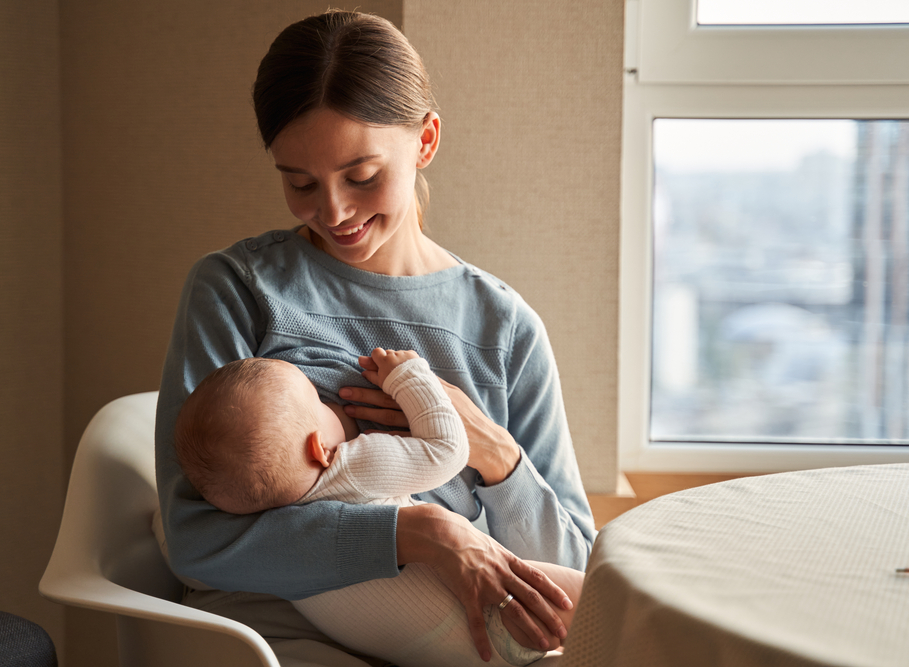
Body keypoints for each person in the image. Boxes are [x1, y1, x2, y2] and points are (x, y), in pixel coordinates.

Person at [155, 9, 596, 666]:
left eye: (361, 175)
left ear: (425, 141)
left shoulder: (505, 330)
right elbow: (195, 537)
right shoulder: (238, 290)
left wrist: (494, 453)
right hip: (274, 644)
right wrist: (416, 532)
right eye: (299, 181)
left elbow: (573, 569)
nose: (332, 211)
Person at [172, 348, 582, 666]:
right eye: (319, 401)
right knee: (611, 600)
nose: (329, 403)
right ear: (319, 448)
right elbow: (447, 450)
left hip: (432, 650)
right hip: (495, 603)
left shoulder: (272, 531)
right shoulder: (350, 467)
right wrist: (413, 378)